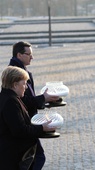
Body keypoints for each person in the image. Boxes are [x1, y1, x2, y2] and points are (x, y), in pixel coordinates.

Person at [9, 41, 59, 169]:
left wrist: (45, 100)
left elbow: (29, 98)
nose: (32, 57)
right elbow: (22, 100)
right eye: (29, 54)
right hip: (26, 123)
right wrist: (43, 98)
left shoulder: (22, 70)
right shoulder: (16, 74)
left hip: (29, 122)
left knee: (33, 158)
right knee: (36, 157)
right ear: (19, 55)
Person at [0, 66, 56, 170]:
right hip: (12, 158)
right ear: (15, 85)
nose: (26, 87)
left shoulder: (7, 97)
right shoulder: (10, 102)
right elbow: (19, 130)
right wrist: (42, 128)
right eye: (24, 83)